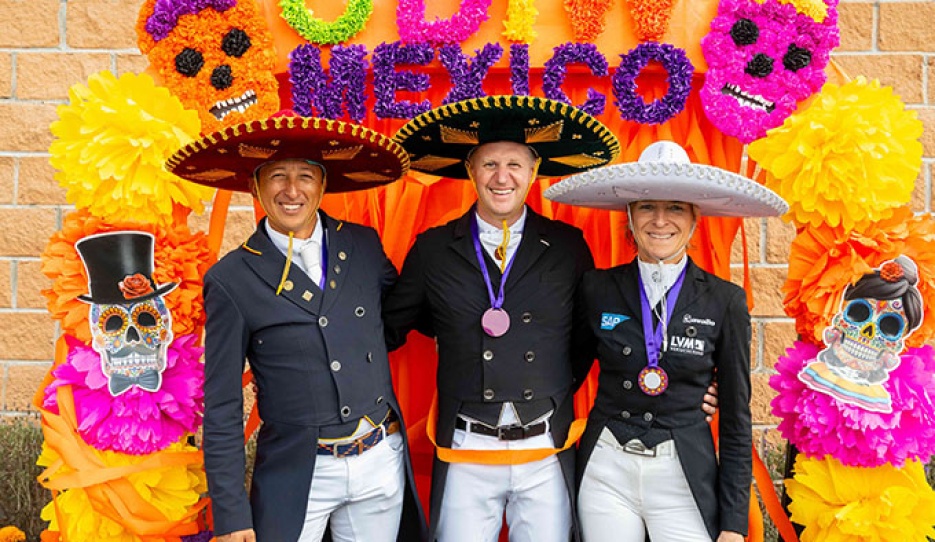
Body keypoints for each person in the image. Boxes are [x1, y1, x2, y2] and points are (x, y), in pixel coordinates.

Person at [385, 96, 717, 541]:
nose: (502, 178)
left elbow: (603, 336)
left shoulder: (566, 247)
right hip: (466, 447)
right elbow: (393, 326)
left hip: (544, 446)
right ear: (470, 170)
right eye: (489, 165)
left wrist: (686, 384)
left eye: (514, 165)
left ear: (534, 170)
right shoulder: (432, 249)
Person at [166, 113, 427, 542]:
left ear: (322, 186)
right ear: (255, 186)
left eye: (305, 176)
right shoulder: (231, 280)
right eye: (277, 177)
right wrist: (232, 514)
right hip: (300, 472)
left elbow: (394, 321)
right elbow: (223, 405)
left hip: (379, 461)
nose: (292, 190)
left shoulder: (362, 246)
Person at [544, 140, 789, 542]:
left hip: (682, 473)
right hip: (606, 470)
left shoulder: (723, 300)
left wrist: (732, 524)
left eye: (675, 207)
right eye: (647, 206)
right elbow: (563, 376)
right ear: (629, 215)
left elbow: (735, 418)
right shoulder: (598, 287)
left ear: (694, 219)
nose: (660, 220)